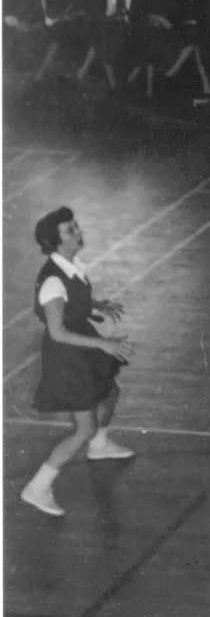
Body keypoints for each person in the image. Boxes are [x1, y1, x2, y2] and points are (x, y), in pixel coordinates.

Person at [20, 207, 135, 517]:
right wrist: (104, 343)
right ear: (54, 241)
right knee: (83, 428)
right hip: (67, 355)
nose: (78, 232)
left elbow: (75, 298)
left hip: (82, 342)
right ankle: (37, 487)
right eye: (70, 230)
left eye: (76, 225)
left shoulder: (70, 266)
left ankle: (100, 446)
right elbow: (57, 331)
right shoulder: (52, 282)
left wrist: (98, 305)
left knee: (109, 392)